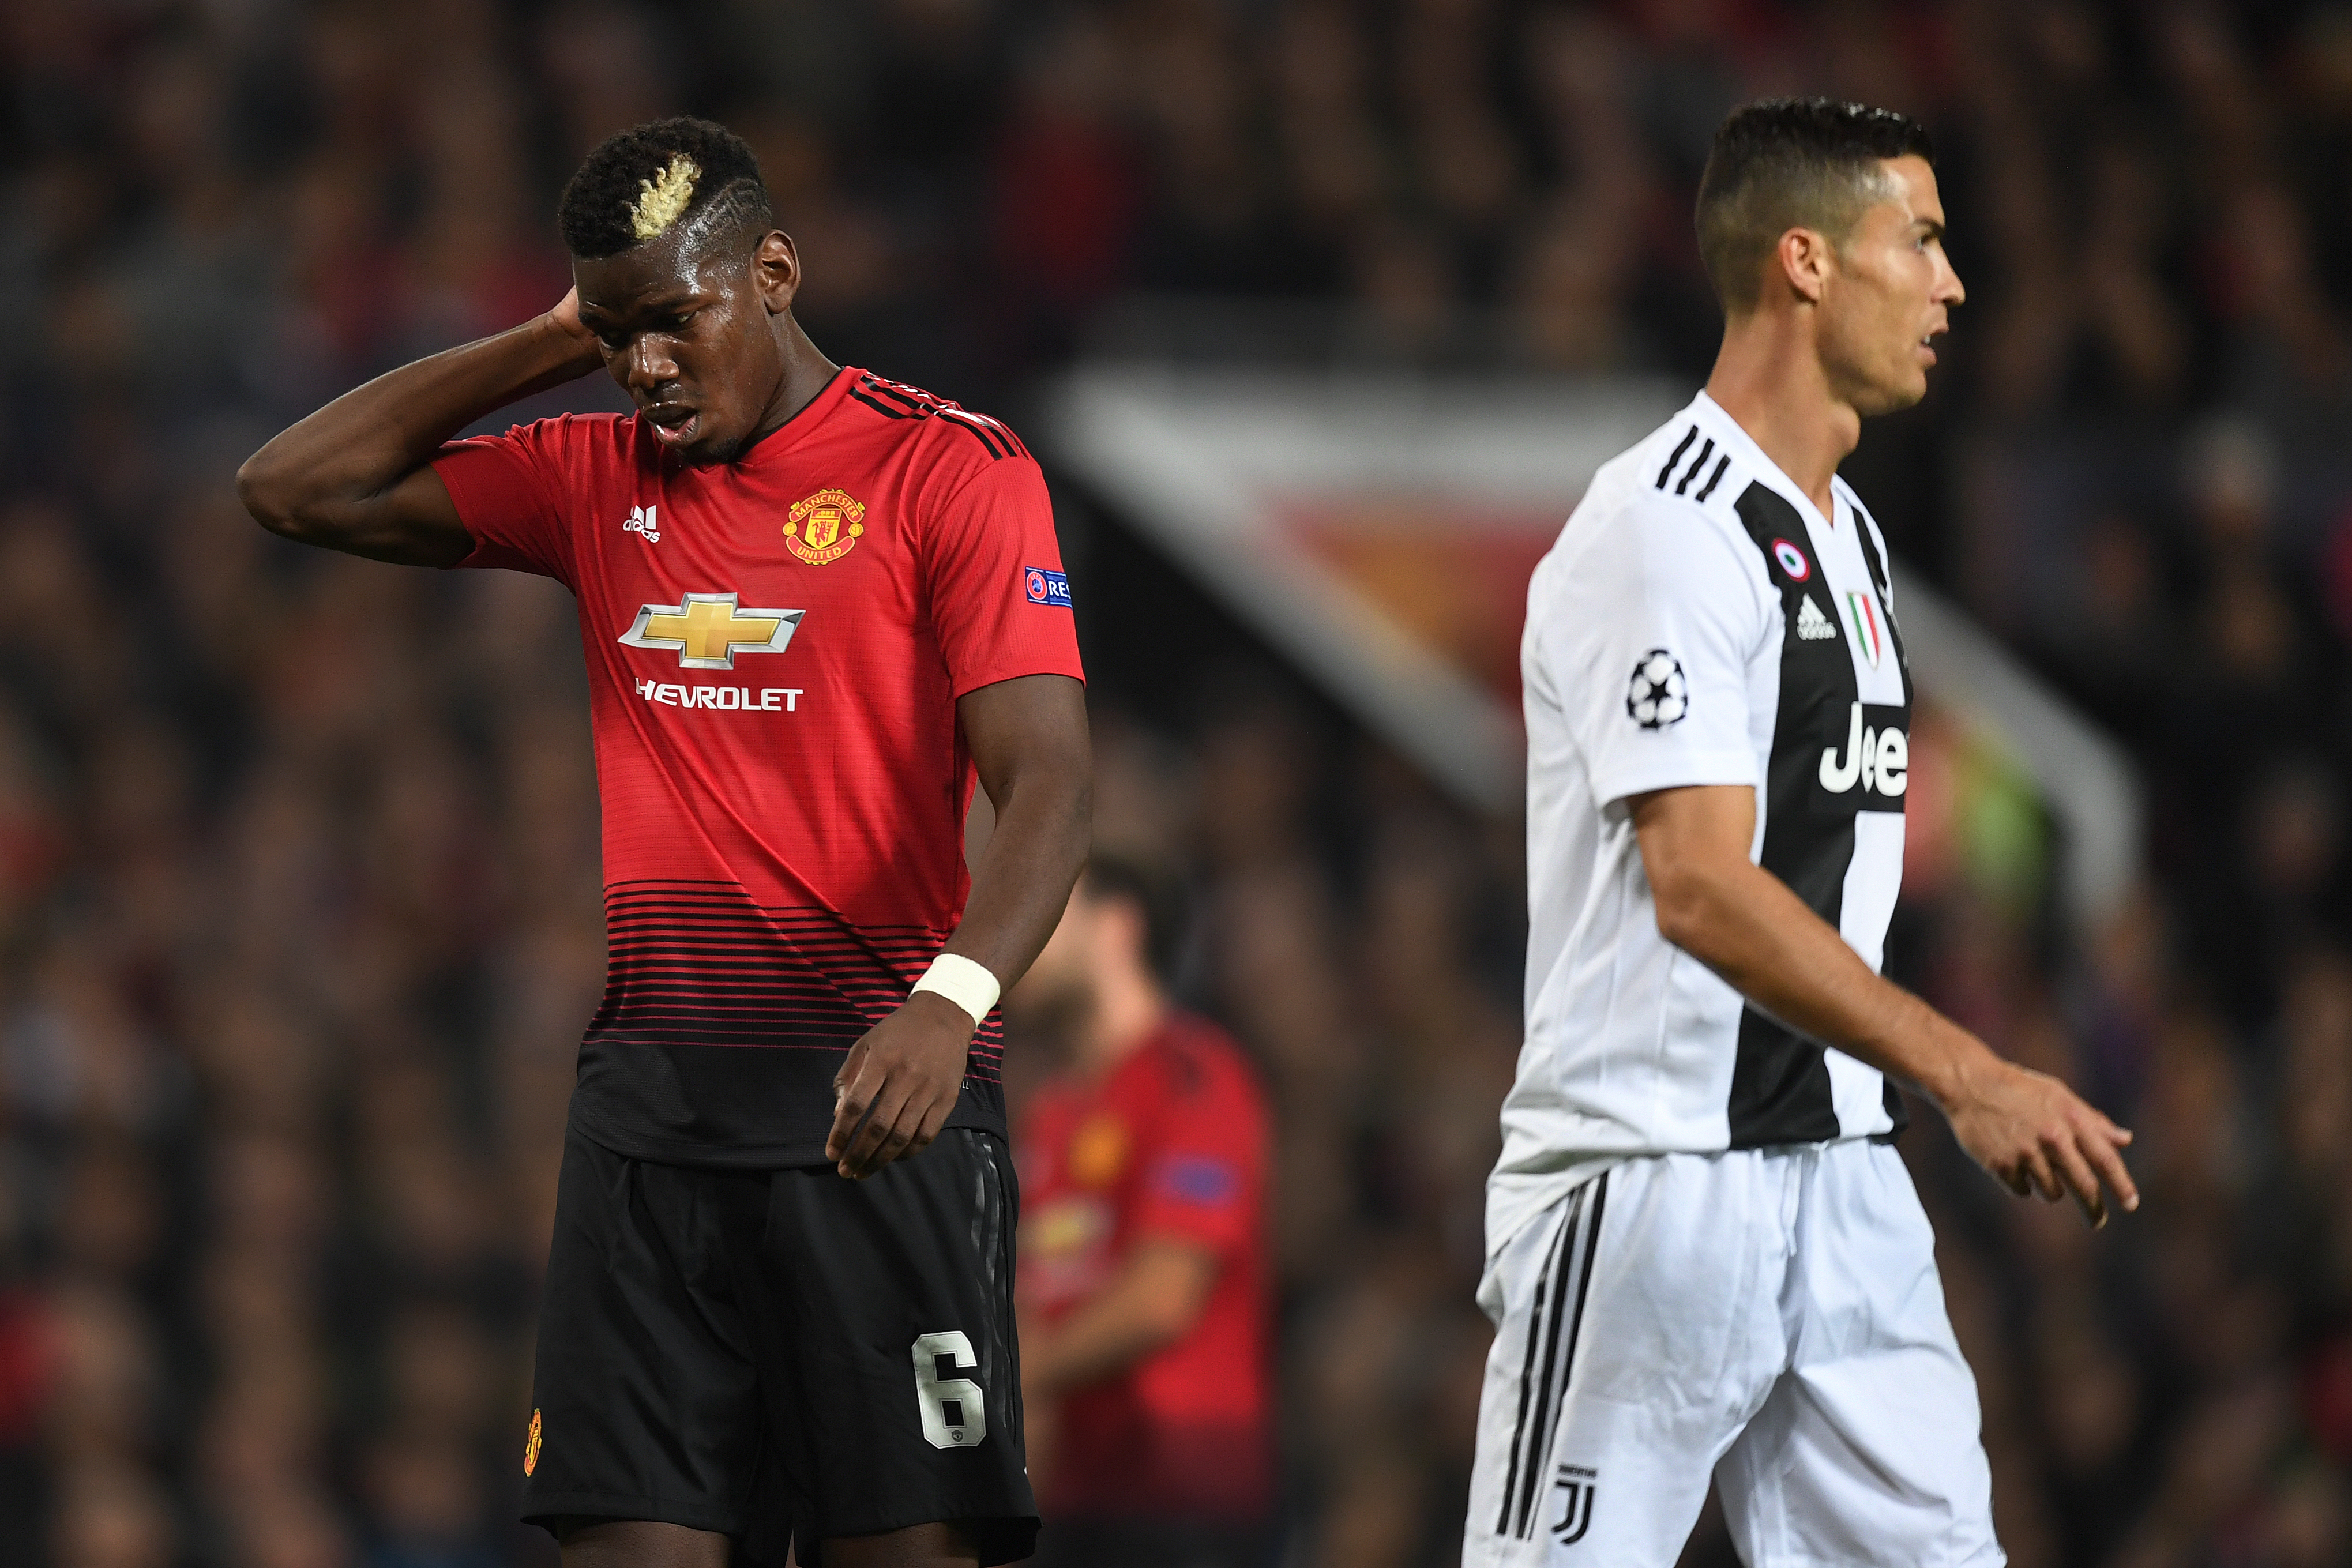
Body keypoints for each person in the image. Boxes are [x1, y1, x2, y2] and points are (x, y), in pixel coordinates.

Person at [236, 117, 1092, 1568]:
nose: (644, 370)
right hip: (649, 1135)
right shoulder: (593, 474)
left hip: (877, 1126)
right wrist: (551, 336)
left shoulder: (949, 472)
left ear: (770, 271)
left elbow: (1052, 784)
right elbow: (295, 487)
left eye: (671, 323)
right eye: (615, 336)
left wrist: (950, 1005)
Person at [1463, 98, 2139, 1567]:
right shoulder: (1663, 524)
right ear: (1805, 262)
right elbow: (1697, 886)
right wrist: (1968, 1068)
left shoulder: (1848, 536)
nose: (1953, 284)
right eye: (1922, 239)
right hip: (1649, 1181)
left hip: (1838, 1173)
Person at [1008, 857, 1273, 1568]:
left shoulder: (1196, 1077)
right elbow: (1036, 1289)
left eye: (1045, 911)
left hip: (1183, 1499)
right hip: (1076, 1499)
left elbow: (1164, 1297)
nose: (1021, 934)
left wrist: (1020, 1377)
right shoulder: (1055, 1111)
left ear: (1117, 926)